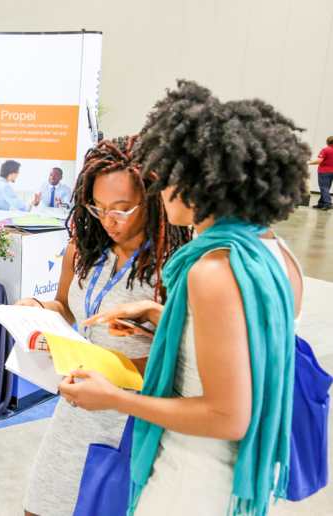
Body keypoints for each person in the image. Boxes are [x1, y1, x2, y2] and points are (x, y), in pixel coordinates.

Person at [63, 81, 308, 516]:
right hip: (232, 476)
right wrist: (161, 313)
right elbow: (243, 349)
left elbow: (228, 414)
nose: (158, 191)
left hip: (194, 475)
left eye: (166, 177)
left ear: (200, 181)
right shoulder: (272, 252)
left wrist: (113, 397)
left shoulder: (211, 271)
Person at [18, 137, 191, 516]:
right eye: (98, 208)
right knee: (40, 507)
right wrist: (38, 308)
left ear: (153, 198)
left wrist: (118, 373)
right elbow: (65, 306)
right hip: (77, 406)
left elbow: (186, 358)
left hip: (137, 415)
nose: (109, 221)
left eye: (122, 209)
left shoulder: (175, 267)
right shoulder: (82, 250)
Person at [309, 136, 333, 210]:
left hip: (324, 171)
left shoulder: (325, 150)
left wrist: (309, 163)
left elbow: (319, 161)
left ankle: (328, 203)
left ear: (327, 142)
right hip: (332, 171)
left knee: (324, 188)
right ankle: (321, 203)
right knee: (326, 188)